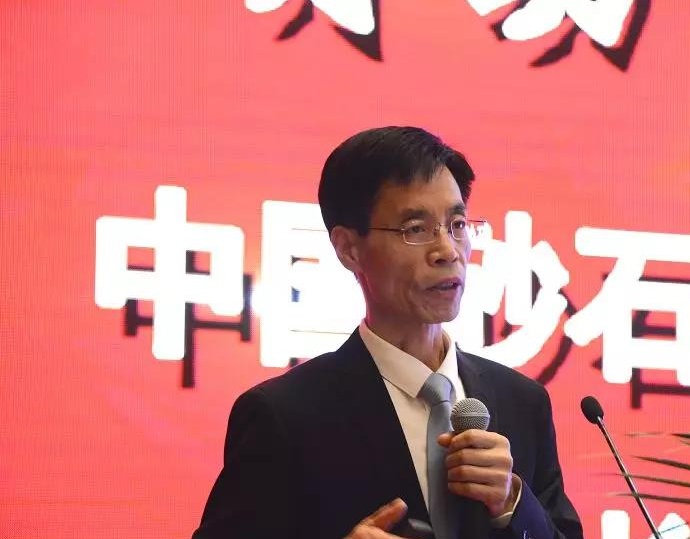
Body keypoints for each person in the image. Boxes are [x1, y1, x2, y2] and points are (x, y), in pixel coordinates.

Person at [192, 126, 583, 539]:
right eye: (415, 229)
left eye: (457, 224)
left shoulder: (522, 402)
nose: (447, 250)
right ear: (348, 248)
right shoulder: (283, 415)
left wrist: (513, 504)